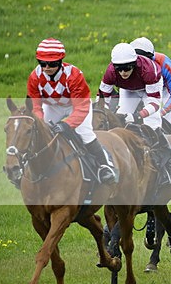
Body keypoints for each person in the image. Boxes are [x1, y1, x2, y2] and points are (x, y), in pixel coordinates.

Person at [27, 38, 116, 184]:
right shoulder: (34, 77)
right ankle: (26, 168)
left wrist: (67, 124)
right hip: (52, 107)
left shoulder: (73, 75)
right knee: (38, 131)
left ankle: (105, 166)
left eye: (52, 64)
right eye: (42, 63)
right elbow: (35, 107)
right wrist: (42, 123)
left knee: (84, 133)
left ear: (61, 62)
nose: (47, 67)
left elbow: (80, 108)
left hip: (77, 106)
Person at [97, 42, 171, 185]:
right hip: (130, 90)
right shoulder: (110, 72)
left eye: (127, 68)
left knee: (153, 124)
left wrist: (137, 116)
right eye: (119, 68)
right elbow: (102, 98)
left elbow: (154, 103)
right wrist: (103, 113)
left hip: (151, 90)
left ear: (135, 63)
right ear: (114, 66)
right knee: (121, 118)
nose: (123, 72)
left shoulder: (150, 70)